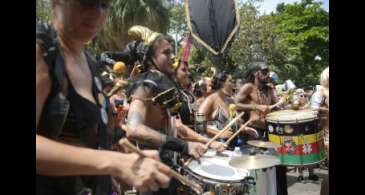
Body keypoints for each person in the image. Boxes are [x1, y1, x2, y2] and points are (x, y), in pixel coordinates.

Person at [36, 1, 171, 194]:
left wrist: (109, 172)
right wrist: (113, 163)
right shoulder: (43, 51)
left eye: (104, 5)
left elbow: (88, 139)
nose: (97, 13)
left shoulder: (89, 62)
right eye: (87, 2)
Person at [124, 33, 210, 195]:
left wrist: (202, 142)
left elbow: (175, 126)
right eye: (166, 53)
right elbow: (133, 129)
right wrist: (184, 146)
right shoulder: (145, 85)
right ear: (150, 58)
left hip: (169, 170)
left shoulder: (161, 84)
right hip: (152, 175)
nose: (172, 57)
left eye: (172, 52)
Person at [234, 62, 288, 195]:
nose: (267, 74)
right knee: (256, 173)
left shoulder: (269, 89)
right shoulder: (248, 87)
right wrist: (256, 107)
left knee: (275, 169)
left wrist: (289, 106)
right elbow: (234, 104)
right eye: (264, 71)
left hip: (270, 134)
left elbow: (278, 106)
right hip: (253, 134)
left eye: (268, 71)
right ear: (255, 73)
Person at [199, 71, 259, 148]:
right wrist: (219, 133)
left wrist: (244, 128)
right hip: (215, 147)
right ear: (221, 83)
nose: (234, 85)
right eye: (230, 81)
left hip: (231, 147)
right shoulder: (210, 100)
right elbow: (198, 125)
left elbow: (233, 122)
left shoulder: (231, 101)